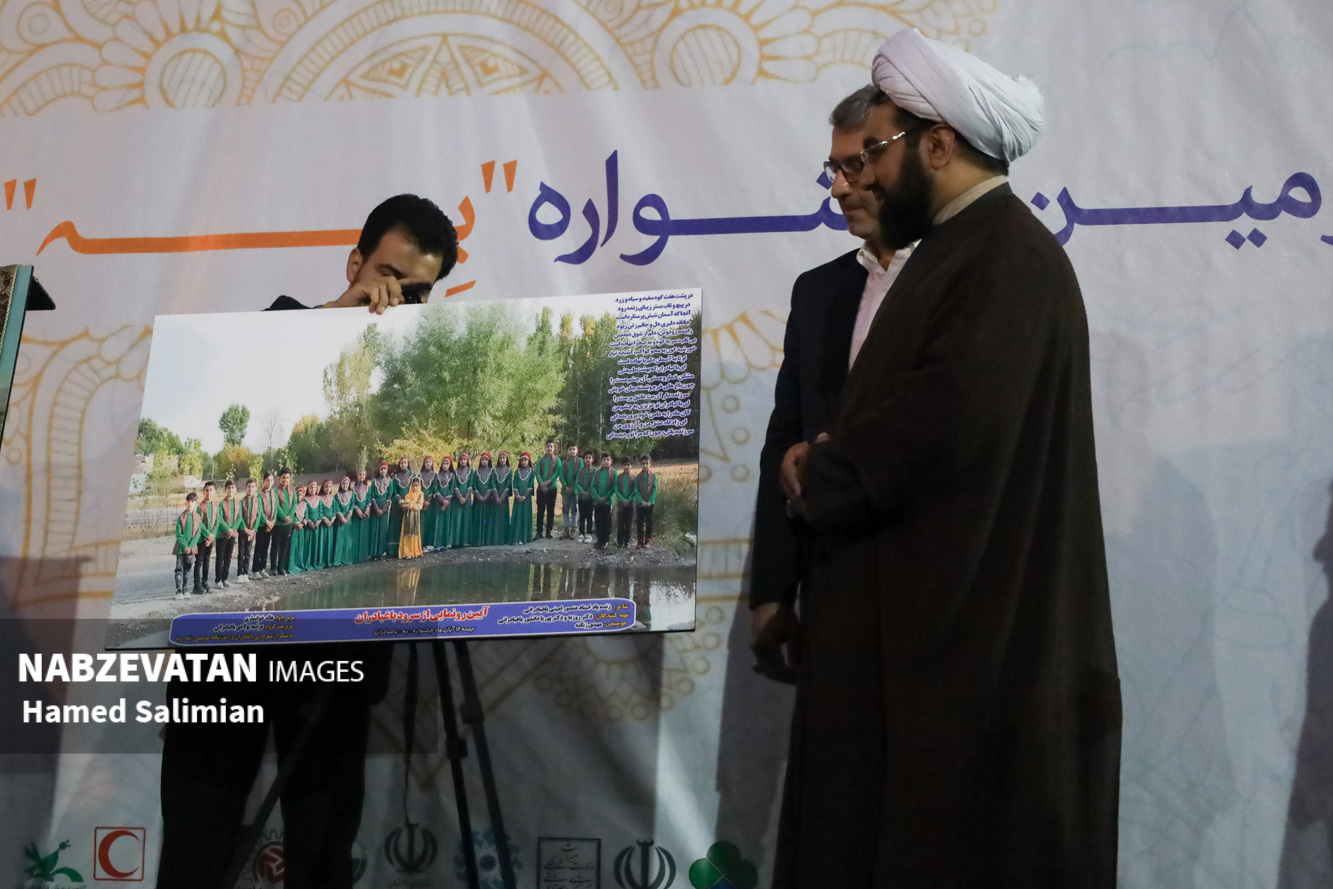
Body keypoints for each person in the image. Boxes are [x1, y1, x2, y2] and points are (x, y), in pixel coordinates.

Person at [770, 30, 1121, 888]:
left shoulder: (1002, 259)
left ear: (938, 144)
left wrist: (822, 471)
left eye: (877, 151)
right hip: (930, 645)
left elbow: (939, 429)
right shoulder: (968, 251)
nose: (866, 176)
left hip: (968, 662)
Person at [158, 194, 457, 889]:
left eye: (417, 292)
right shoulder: (273, 329)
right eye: (386, 275)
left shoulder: (406, 378)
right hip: (225, 653)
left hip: (335, 650)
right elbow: (220, 392)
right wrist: (335, 322)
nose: (395, 298)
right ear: (355, 264)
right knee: (198, 836)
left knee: (323, 844)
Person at [749, 83, 907, 653]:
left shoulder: (960, 281)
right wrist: (772, 592)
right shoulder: (818, 293)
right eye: (834, 169)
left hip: (932, 591)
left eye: (855, 166)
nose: (838, 188)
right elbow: (784, 440)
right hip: (833, 589)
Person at [171, 492, 200, 600]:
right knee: (179, 570)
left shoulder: (198, 518)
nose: (190, 503)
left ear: (195, 503)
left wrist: (191, 546)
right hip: (181, 549)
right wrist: (185, 546)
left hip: (191, 550)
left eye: (192, 501)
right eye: (188, 501)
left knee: (188, 570)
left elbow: (198, 533)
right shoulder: (181, 518)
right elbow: (179, 535)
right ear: (185, 503)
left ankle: (185, 589)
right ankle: (178, 590)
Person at [270, 468, 297, 576]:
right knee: (275, 545)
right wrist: (284, 517)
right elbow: (276, 506)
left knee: (284, 546)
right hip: (278, 523)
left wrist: (289, 516)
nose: (285, 480)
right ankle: (273, 567)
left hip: (288, 523)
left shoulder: (292, 490)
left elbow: (294, 503)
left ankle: (281, 567)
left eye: (287, 478)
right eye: (283, 478)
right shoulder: (275, 492)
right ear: (279, 478)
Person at [214, 479, 240, 590]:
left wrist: (233, 530)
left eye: (232, 488)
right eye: (228, 488)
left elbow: (239, 518)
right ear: (225, 489)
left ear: (235, 489)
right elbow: (219, 519)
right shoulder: (221, 504)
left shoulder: (237, 503)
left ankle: (225, 578)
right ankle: (218, 580)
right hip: (222, 535)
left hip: (232, 534)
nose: (231, 490)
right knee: (220, 557)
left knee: (228, 556)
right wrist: (228, 529)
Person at [193, 481, 219, 594]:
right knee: (199, 561)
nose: (209, 492)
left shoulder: (216, 506)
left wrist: (212, 535)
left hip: (211, 538)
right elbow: (199, 523)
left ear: (214, 492)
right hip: (201, 539)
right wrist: (207, 535)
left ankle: (205, 581)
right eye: (207, 490)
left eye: (211, 490)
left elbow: (217, 521)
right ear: (203, 492)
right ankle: (196, 584)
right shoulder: (200, 507)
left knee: (207, 560)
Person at [235, 478, 262, 584]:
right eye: (249, 486)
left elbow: (258, 516)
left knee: (248, 552)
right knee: (241, 552)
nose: (251, 488)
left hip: (252, 531)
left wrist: (253, 530)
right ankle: (239, 574)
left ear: (255, 488)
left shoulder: (257, 501)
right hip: (243, 530)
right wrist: (245, 529)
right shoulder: (242, 502)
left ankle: (246, 573)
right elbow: (240, 517)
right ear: (246, 488)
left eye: (253, 487)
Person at [251, 472, 277, 580]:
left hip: (270, 525)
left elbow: (275, 509)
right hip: (262, 525)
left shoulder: (274, 494)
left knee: (266, 548)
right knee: (259, 548)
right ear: (263, 482)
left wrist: (273, 522)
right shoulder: (259, 495)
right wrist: (267, 522)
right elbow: (260, 511)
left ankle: (262, 568)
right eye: (267, 480)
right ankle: (255, 570)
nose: (269, 482)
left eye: (271, 480)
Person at [534, 440, 560, 539]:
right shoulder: (540, 460)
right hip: (541, 489)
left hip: (552, 488)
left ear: (554, 448)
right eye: (548, 446)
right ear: (545, 448)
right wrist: (541, 483)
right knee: (540, 510)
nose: (549, 448)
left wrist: (548, 482)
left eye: (551, 446)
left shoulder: (557, 460)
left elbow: (557, 472)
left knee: (550, 510)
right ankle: (539, 532)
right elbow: (537, 472)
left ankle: (548, 531)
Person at [590, 453, 617, 550]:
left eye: (607, 459)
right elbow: (592, 486)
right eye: (604, 460)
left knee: (606, 521)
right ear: (601, 461)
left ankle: (605, 540)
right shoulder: (597, 472)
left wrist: (606, 497)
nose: (606, 461)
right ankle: (599, 540)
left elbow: (614, 486)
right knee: (598, 521)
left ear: (611, 461)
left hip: (607, 502)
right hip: (598, 502)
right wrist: (597, 497)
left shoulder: (614, 472)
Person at [387, 456, 412, 556]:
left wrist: (408, 501)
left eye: (405, 463)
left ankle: (408, 550)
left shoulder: (413, 475)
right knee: (397, 526)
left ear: (408, 464)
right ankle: (395, 551)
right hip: (397, 505)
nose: (403, 465)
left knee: (408, 527)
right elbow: (394, 490)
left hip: (409, 504)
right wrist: (400, 500)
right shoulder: (395, 476)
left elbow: (415, 489)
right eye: (401, 463)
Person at [287, 484, 312, 576]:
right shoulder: (292, 504)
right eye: (297, 495)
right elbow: (291, 515)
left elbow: (306, 516)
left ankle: (299, 564)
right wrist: (296, 523)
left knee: (300, 548)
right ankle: (291, 566)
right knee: (293, 546)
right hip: (294, 529)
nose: (299, 497)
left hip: (302, 529)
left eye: (301, 495)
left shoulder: (305, 504)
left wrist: (303, 523)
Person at [510, 452, 535, 544]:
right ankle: (516, 538)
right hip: (518, 500)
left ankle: (524, 538)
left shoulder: (532, 471)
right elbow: (515, 484)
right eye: (522, 460)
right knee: (517, 517)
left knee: (525, 517)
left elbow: (531, 485)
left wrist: (524, 497)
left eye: (526, 460)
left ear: (529, 461)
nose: (524, 462)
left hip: (526, 499)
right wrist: (517, 496)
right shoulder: (517, 472)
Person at [332, 476, 358, 567]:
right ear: (341, 484)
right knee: (340, 538)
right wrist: (341, 517)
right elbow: (336, 507)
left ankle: (347, 559)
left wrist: (348, 515)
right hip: (340, 520)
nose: (345, 485)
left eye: (347, 483)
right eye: (343, 483)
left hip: (348, 519)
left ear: (349, 484)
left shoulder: (352, 494)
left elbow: (352, 505)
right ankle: (338, 560)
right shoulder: (336, 495)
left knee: (348, 539)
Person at [489, 452, 513, 546]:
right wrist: (496, 496)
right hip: (495, 499)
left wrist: (502, 497)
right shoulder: (494, 470)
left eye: (504, 458)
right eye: (500, 458)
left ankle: (504, 539)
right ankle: (494, 539)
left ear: (506, 459)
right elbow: (493, 483)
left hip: (504, 499)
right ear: (498, 459)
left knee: (503, 518)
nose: (502, 460)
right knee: (495, 518)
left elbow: (508, 485)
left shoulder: (509, 470)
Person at [368, 463, 392, 559]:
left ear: (387, 470)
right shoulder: (374, 482)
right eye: (381, 469)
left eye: (384, 469)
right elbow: (372, 496)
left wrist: (384, 509)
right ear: (379, 470)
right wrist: (376, 508)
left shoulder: (390, 482)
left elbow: (390, 496)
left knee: (382, 529)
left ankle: (381, 552)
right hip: (375, 507)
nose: (383, 471)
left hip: (384, 507)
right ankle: (373, 552)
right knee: (374, 528)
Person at [471, 453, 495, 546]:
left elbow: (492, 485)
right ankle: (477, 540)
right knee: (478, 519)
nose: (484, 461)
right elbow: (474, 485)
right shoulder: (476, 472)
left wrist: (486, 496)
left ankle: (486, 540)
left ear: (489, 461)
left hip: (488, 501)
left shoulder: (492, 472)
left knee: (486, 520)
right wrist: (479, 496)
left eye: (486, 459)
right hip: (478, 501)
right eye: (482, 459)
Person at [633, 455, 657, 549]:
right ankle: (640, 541)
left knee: (649, 522)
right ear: (640, 464)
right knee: (639, 522)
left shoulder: (653, 476)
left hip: (650, 503)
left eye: (647, 463)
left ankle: (648, 540)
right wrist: (641, 501)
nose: (645, 465)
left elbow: (654, 489)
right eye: (643, 463)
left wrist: (650, 501)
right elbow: (636, 490)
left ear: (650, 464)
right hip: (640, 503)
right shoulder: (637, 477)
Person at [398, 476, 425, 559]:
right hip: (407, 517)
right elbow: (405, 504)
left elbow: (420, 505)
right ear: (411, 485)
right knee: (407, 533)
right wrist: (406, 506)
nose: (415, 487)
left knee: (414, 533)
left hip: (415, 517)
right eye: (413, 485)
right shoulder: (407, 496)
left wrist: (412, 506)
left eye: (417, 485)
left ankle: (415, 551)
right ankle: (407, 553)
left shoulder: (420, 495)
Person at [432, 456, 455, 550]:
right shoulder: (437, 475)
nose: (445, 465)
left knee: (446, 521)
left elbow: (452, 489)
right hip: (438, 502)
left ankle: (444, 544)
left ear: (449, 465)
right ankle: (437, 544)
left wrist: (446, 502)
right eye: (443, 464)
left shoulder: (452, 476)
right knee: (438, 522)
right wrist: (442, 500)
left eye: (447, 464)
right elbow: (435, 488)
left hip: (448, 502)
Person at [614, 456, 637, 549]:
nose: (626, 467)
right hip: (621, 504)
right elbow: (616, 490)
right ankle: (619, 542)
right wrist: (622, 499)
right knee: (620, 524)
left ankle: (627, 541)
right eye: (624, 465)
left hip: (630, 503)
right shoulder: (618, 477)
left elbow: (635, 490)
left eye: (628, 465)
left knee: (628, 524)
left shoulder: (634, 478)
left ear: (631, 466)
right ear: (622, 466)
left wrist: (629, 499)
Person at [451, 452, 473, 549]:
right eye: (461, 459)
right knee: (457, 519)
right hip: (457, 499)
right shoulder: (455, 472)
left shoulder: (471, 472)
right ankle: (455, 542)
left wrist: (465, 497)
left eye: (464, 459)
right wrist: (460, 497)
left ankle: (464, 541)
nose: (463, 461)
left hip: (466, 499)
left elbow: (470, 485)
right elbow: (454, 486)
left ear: (467, 460)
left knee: (465, 519)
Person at [418, 455, 439, 552]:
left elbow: (433, 488)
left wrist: (428, 501)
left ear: (432, 463)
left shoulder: (435, 475)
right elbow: (418, 488)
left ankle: (427, 544)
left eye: (429, 462)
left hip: (430, 503)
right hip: (420, 502)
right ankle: (420, 543)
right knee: (420, 523)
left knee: (428, 523)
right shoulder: (419, 474)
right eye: (426, 462)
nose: (428, 463)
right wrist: (423, 501)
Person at [559, 444, 580, 540]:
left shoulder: (580, 461)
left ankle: (574, 528)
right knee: (565, 509)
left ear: (577, 451)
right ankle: (566, 529)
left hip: (575, 490)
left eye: (573, 449)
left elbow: (579, 474)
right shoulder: (564, 463)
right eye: (570, 449)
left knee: (574, 509)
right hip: (565, 490)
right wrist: (565, 486)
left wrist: (573, 486)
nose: (572, 451)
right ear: (568, 451)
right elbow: (561, 475)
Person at [352, 469, 372, 564]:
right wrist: (358, 511)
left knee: (364, 533)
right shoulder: (353, 488)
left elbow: (369, 500)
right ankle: (355, 556)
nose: (362, 476)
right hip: (356, 513)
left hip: (365, 513)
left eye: (363, 475)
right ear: (357, 476)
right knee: (356, 534)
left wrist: (367, 509)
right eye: (360, 474)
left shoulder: (368, 488)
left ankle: (364, 556)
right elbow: (353, 501)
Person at [575, 452, 595, 543]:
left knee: (589, 515)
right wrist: (581, 491)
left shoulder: (595, 471)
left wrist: (588, 492)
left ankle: (589, 533)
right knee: (582, 515)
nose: (588, 459)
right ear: (583, 460)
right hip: (581, 497)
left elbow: (594, 483)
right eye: (586, 458)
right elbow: (577, 482)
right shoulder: (580, 470)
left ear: (592, 459)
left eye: (589, 457)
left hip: (590, 497)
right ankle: (581, 533)